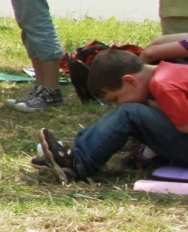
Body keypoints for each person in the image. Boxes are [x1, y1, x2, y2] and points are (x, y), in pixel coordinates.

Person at [36, 48, 188, 183]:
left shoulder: (163, 84)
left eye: (116, 98)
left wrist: (150, 107)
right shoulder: (172, 71)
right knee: (133, 111)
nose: (119, 104)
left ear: (130, 81)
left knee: (129, 113)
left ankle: (77, 163)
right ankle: (74, 152)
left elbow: (185, 126)